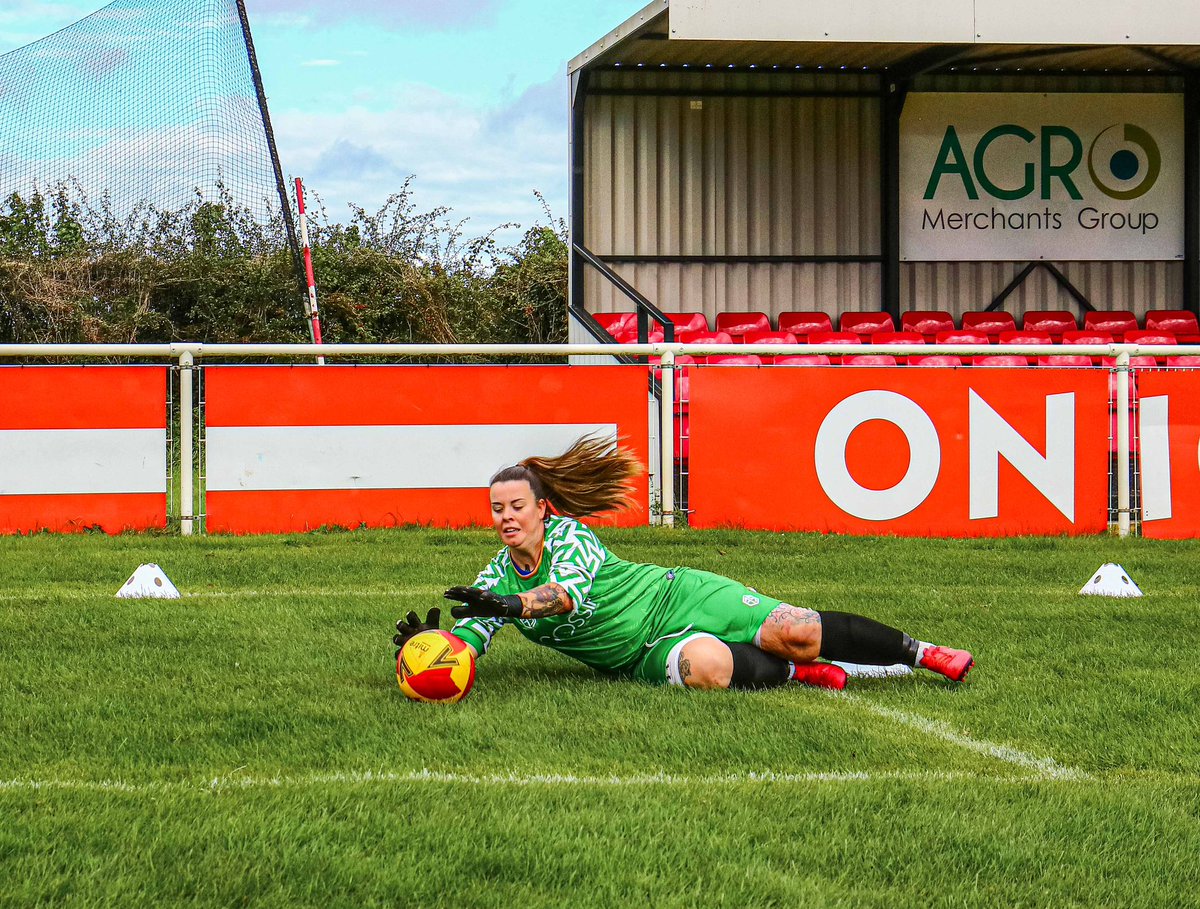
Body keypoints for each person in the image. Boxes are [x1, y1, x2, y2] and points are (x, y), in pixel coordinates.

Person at [393, 435, 973, 691]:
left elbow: (564, 594)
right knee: (710, 671)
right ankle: (801, 674)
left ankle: (923, 654)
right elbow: (472, 637)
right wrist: (433, 649)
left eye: (517, 506)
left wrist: (516, 605)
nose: (506, 517)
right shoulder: (493, 578)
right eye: (497, 510)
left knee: (796, 631)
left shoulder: (570, 537)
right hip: (638, 655)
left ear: (542, 508)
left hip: (678, 596)